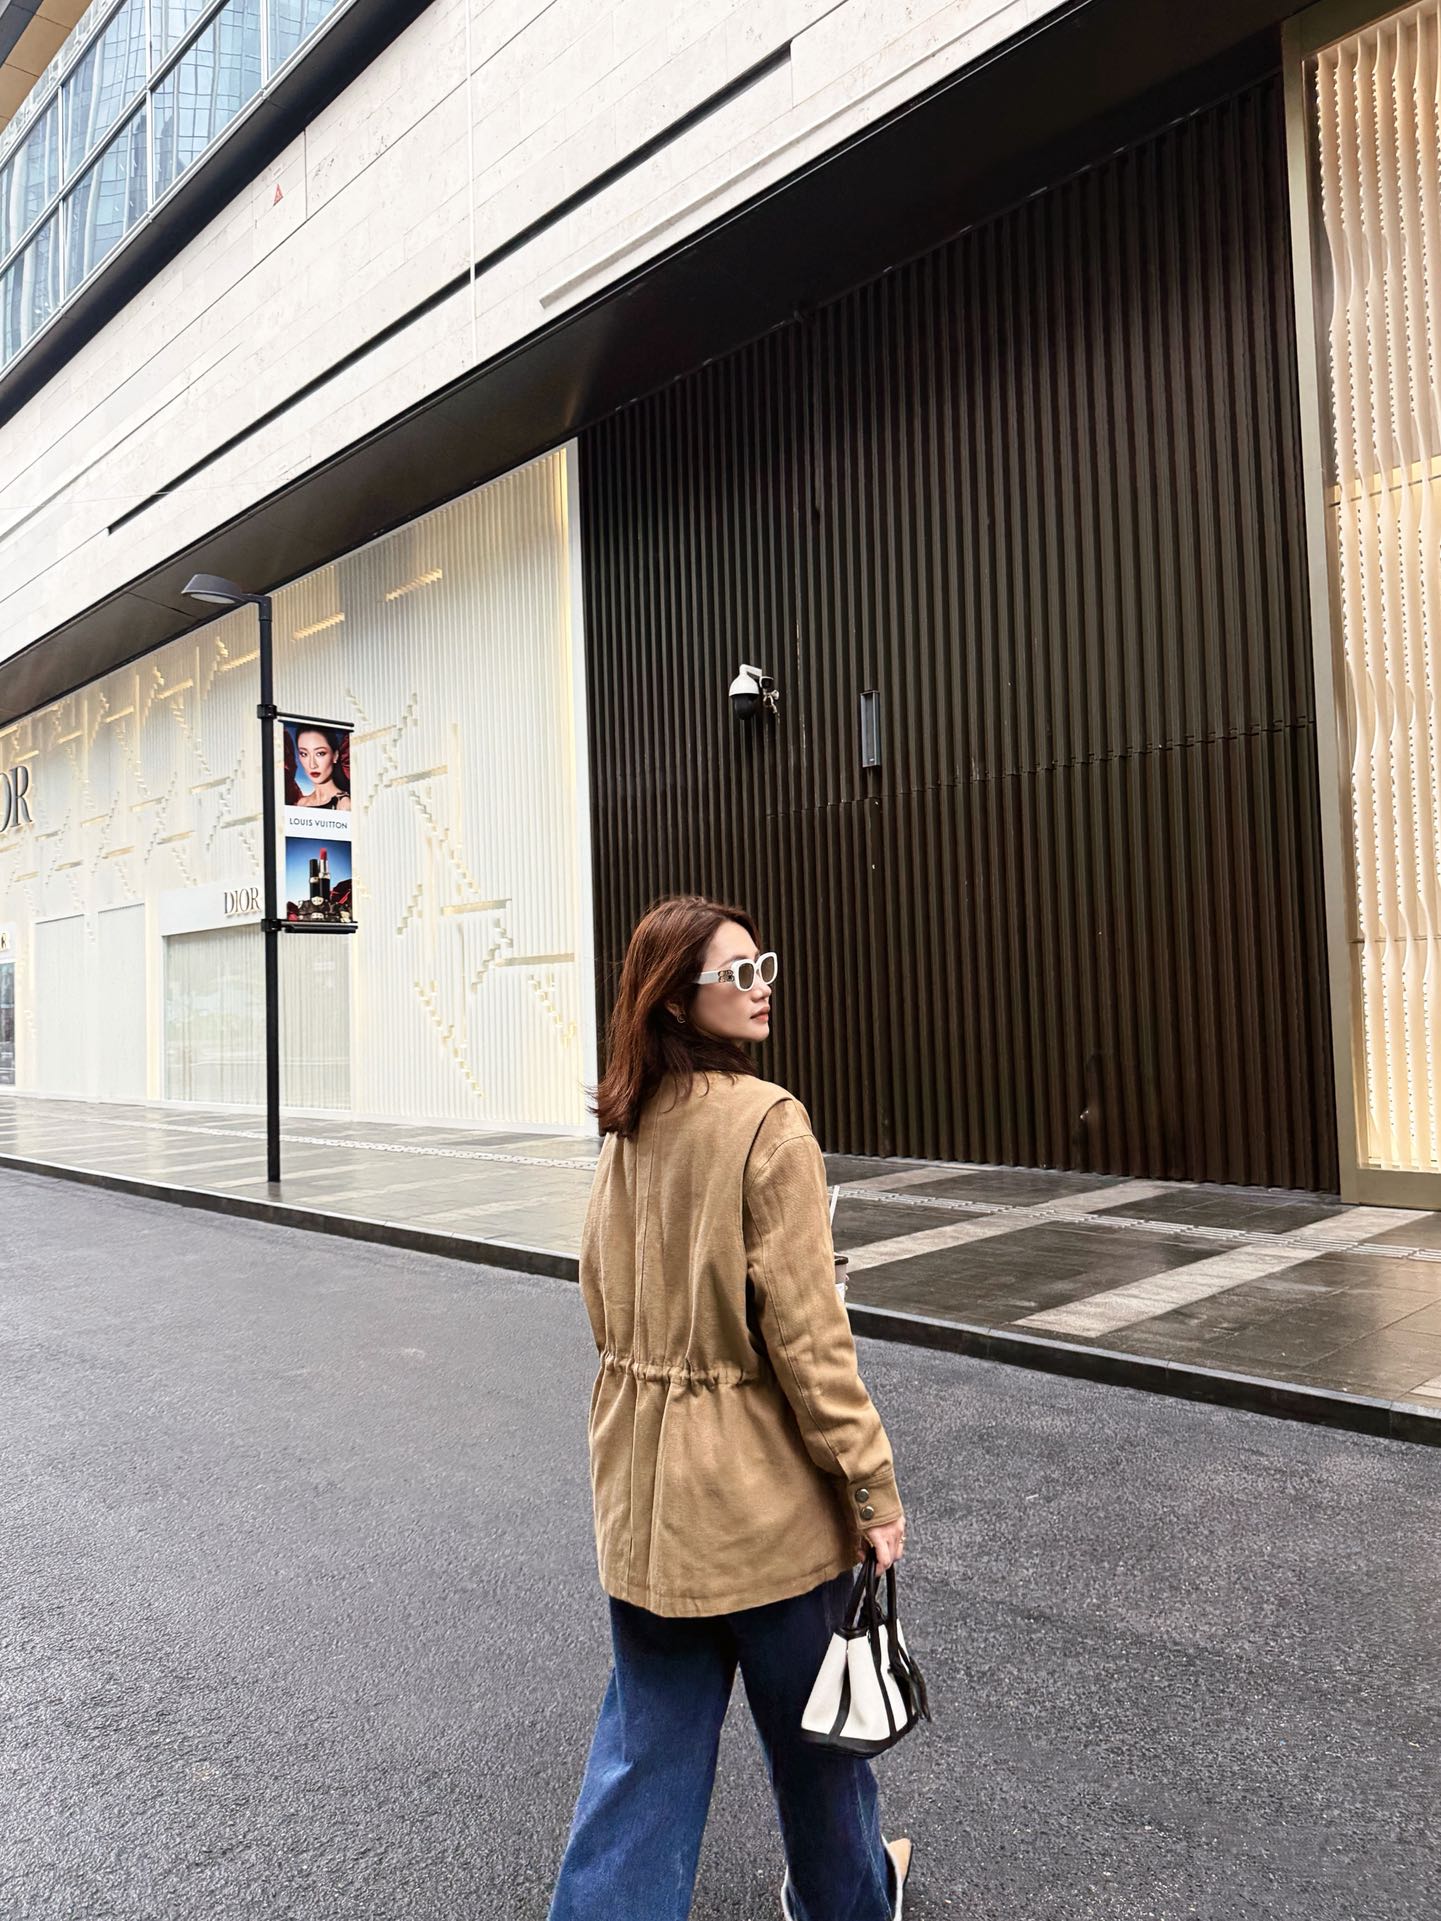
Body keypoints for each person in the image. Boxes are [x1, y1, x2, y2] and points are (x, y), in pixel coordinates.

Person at [548, 894, 912, 1921]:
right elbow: (807, 1336)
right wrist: (871, 1487)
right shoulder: (767, 1122)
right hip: (759, 1505)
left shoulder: (626, 1125)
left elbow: (598, 1296)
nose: (760, 990)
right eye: (736, 974)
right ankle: (846, 1903)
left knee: (645, 1755)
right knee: (818, 1741)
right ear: (677, 997)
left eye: (763, 968)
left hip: (643, 1497)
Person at [291, 727, 351, 810]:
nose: (312, 765)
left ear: (335, 756)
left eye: (320, 753)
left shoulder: (344, 804)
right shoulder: (302, 803)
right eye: (304, 754)